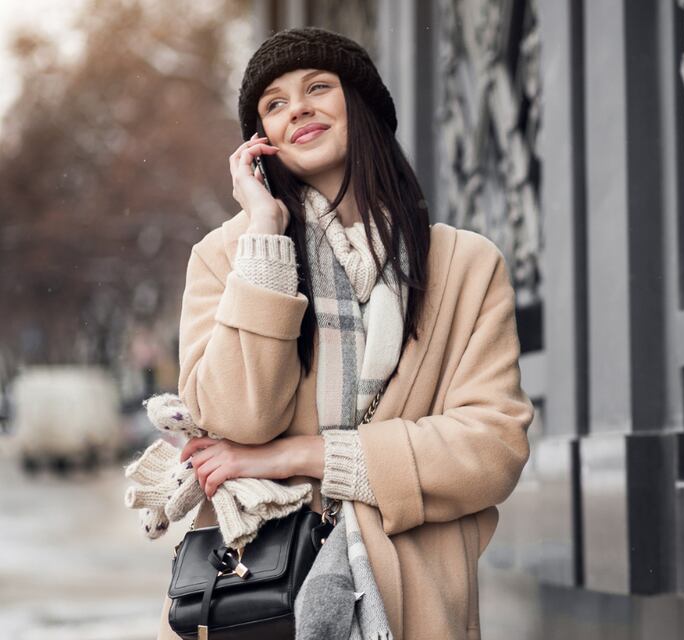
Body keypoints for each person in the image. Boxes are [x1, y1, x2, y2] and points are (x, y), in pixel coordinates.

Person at [154, 27, 534, 640]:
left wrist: (302, 456)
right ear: (262, 142)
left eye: (317, 88)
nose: (296, 108)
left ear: (360, 106)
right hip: (261, 597)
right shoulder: (227, 257)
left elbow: (492, 449)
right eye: (273, 104)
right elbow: (235, 420)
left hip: (413, 597)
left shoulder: (465, 265)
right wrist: (266, 238)